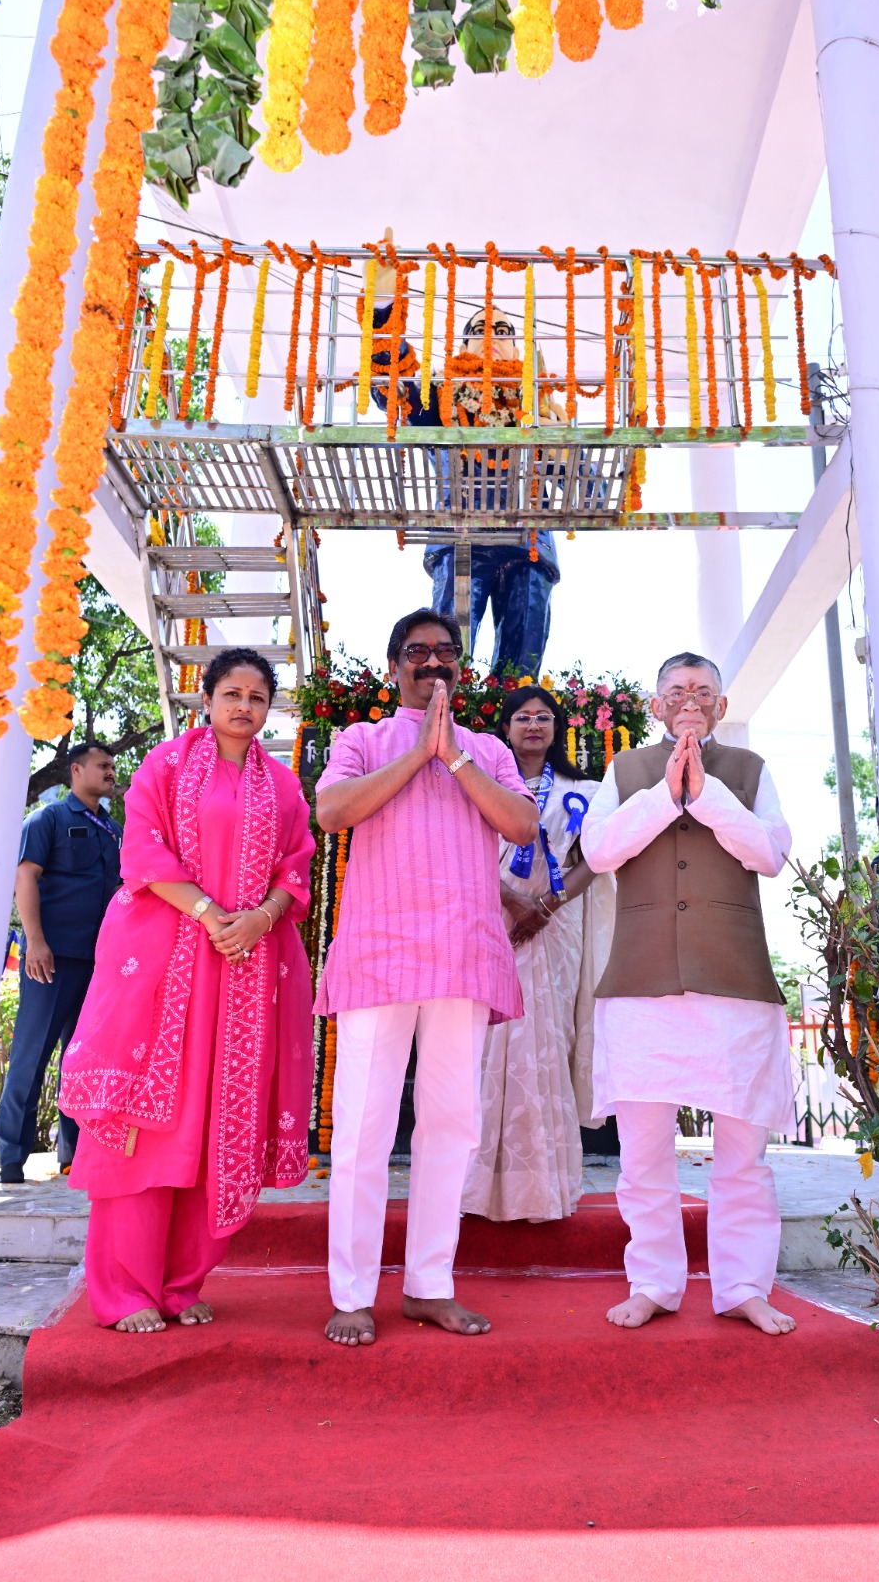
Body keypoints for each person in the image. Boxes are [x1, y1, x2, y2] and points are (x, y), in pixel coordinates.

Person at [58, 649, 315, 1334]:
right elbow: (142, 852)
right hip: (164, 961)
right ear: (206, 701)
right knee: (147, 1126)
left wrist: (258, 919)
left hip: (247, 965)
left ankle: (179, 1284)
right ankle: (125, 1290)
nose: (244, 707)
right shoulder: (165, 766)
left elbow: (296, 868)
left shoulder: (283, 787)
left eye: (257, 697)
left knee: (217, 1121)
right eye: (232, 693)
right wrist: (209, 913)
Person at [315, 608, 539, 1347]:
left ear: (461, 669)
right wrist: (418, 753)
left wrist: (455, 758)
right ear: (394, 668)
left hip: (461, 954)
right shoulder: (361, 740)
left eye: (445, 652)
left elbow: (522, 826)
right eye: (417, 651)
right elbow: (331, 811)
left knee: (451, 1126)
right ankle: (352, 1293)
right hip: (379, 953)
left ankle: (428, 1285)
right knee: (363, 1129)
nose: (433, 662)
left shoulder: (488, 749)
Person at [581, 652, 798, 1337]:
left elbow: (770, 854)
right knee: (644, 1154)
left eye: (703, 691)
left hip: (733, 980)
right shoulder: (626, 771)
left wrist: (707, 795)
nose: (690, 701)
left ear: (722, 706)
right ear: (656, 705)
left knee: (742, 1155)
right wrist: (664, 794)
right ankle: (653, 1282)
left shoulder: (750, 770)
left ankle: (743, 1287)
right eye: (676, 691)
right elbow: (599, 852)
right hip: (641, 982)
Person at [368, 228, 562, 679]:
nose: (489, 336)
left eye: (502, 331)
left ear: (518, 346)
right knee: (443, 662)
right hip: (459, 538)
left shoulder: (539, 405)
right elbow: (392, 388)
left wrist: (561, 444)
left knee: (522, 671)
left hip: (529, 546)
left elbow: (591, 487)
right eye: (478, 331)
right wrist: (383, 308)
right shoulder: (442, 395)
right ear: (462, 347)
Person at [462, 686, 615, 1223]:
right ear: (505, 728)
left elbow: (595, 857)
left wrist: (547, 904)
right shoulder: (480, 783)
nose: (533, 725)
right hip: (489, 919)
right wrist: (511, 901)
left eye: (543, 717)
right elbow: (463, 849)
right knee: (486, 1043)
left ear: (557, 729)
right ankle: (475, 1186)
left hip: (556, 926)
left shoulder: (585, 791)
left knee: (546, 1041)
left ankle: (541, 1187)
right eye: (522, 717)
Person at [0, 743, 121, 1184]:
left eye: (112, 766)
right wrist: (35, 942)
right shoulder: (47, 819)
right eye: (102, 765)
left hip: (100, 963)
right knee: (31, 1057)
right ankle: (11, 1160)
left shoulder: (114, 830)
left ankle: (75, 1156)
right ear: (76, 770)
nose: (110, 772)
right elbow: (25, 876)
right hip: (51, 959)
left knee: (82, 1060)